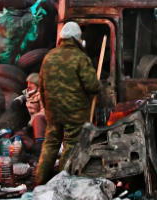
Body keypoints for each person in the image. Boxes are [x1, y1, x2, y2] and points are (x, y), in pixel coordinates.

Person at [36, 22, 101, 184]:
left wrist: (47, 107)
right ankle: (61, 182)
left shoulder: (49, 57)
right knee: (71, 144)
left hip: (53, 111)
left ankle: (40, 180)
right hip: (75, 111)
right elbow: (92, 85)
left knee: (51, 143)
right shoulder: (80, 58)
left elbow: (41, 87)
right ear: (78, 39)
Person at [25, 73, 46, 141]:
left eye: (31, 83)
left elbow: (45, 110)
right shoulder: (32, 95)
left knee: (38, 119)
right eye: (28, 83)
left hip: (44, 122)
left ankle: (39, 142)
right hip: (33, 125)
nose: (28, 85)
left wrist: (35, 116)